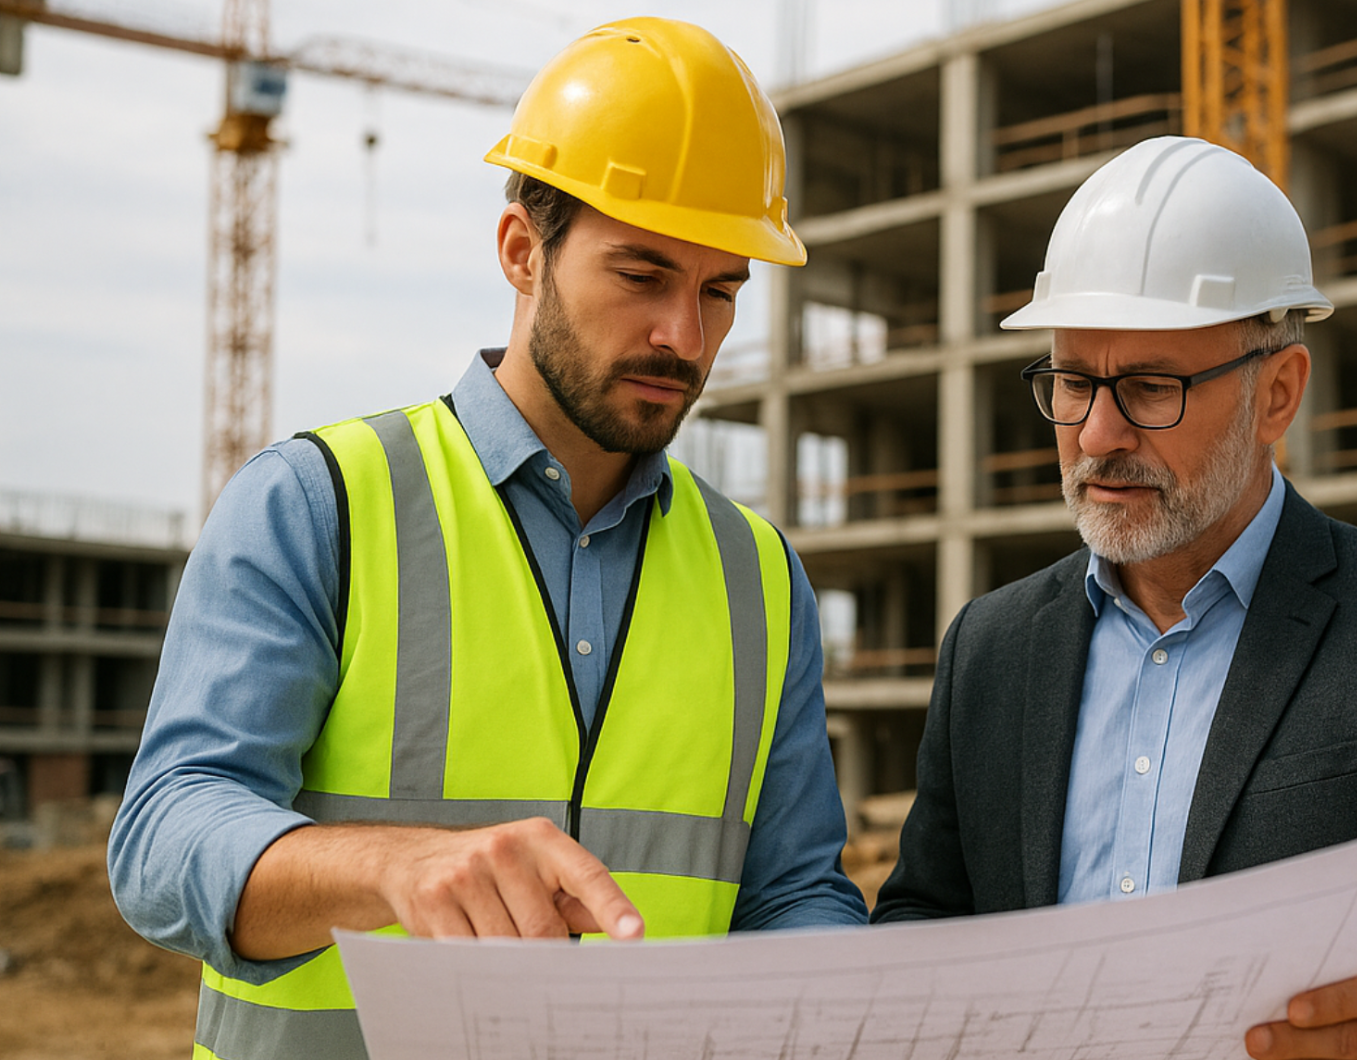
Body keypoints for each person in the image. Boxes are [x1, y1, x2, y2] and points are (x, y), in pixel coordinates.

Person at [108, 18, 866, 1060]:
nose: (684, 339)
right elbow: (162, 840)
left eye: (719, 291)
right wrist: (389, 868)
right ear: (522, 250)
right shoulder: (319, 504)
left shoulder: (759, 576)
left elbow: (790, 890)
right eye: (642, 275)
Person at [871, 136, 1357, 1060]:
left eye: (1149, 387)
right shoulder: (991, 645)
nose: (1097, 435)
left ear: (1278, 393)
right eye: (1069, 384)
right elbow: (928, 916)